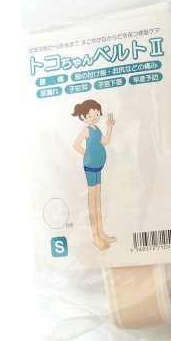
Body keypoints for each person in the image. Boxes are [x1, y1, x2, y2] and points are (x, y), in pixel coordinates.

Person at [72, 99, 116, 250]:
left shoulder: (97, 129)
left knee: (98, 199)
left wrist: (109, 127)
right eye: (91, 115)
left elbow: (105, 142)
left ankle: (101, 233)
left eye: (97, 114)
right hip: (90, 166)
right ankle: (95, 237)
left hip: (98, 166)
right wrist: (87, 155)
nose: (95, 117)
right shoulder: (86, 130)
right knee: (92, 200)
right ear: (84, 117)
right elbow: (76, 145)